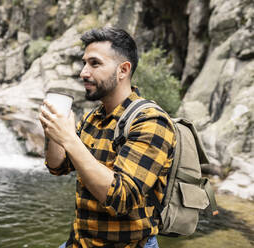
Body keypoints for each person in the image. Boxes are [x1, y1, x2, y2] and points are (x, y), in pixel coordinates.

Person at [39, 27, 176, 248]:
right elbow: (57, 167)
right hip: (79, 243)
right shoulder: (92, 118)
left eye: (95, 63)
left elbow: (122, 198)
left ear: (123, 70)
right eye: (84, 63)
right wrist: (52, 132)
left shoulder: (151, 121)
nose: (83, 72)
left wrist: (70, 139)